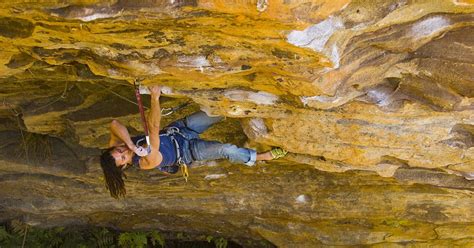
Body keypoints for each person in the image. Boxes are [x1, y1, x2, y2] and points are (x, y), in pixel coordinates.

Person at [100, 85, 287, 198]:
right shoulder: (146, 161)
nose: (124, 152)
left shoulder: (123, 148)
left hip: (181, 129)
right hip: (190, 151)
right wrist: (155, 98)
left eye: (119, 150)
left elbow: (115, 124)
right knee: (227, 150)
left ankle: (259, 102)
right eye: (124, 157)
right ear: (125, 166)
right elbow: (154, 126)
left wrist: (130, 144)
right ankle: (261, 157)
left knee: (220, 110)